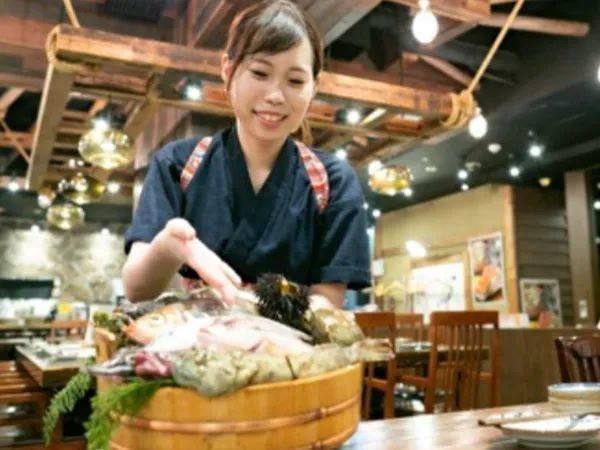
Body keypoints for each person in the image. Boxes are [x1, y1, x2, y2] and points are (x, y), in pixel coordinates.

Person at [121, 0, 371, 308]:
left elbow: (327, 301)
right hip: (198, 335)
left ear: (314, 87)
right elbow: (136, 289)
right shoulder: (177, 165)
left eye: (295, 81)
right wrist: (171, 246)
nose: (275, 96)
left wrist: (257, 318)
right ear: (228, 70)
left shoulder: (333, 182)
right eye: (260, 73)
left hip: (290, 336)